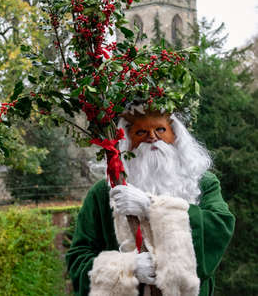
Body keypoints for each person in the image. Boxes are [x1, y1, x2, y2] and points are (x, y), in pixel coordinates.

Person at [66, 105, 235, 296]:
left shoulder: (202, 182)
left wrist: (152, 207)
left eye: (160, 129)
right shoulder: (105, 192)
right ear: (126, 141)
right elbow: (78, 259)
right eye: (141, 131)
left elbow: (219, 226)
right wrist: (127, 269)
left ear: (176, 135)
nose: (152, 137)